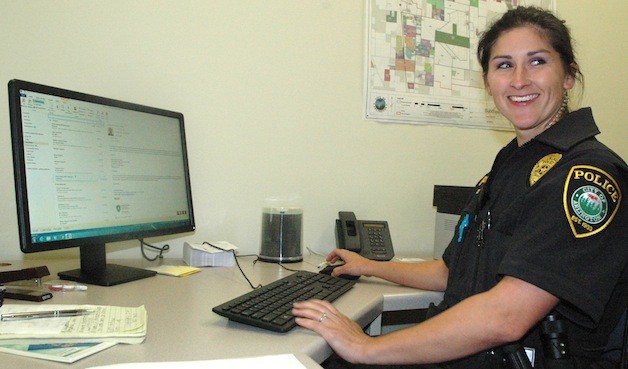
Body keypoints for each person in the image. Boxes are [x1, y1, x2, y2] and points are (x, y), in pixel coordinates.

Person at [292, 6, 627, 369]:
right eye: (503, 65)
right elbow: (451, 271)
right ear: (488, 83)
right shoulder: (512, 164)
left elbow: (506, 316)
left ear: (568, 76)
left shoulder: (585, 176)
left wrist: (366, 347)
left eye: (537, 62)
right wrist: (369, 266)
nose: (519, 80)